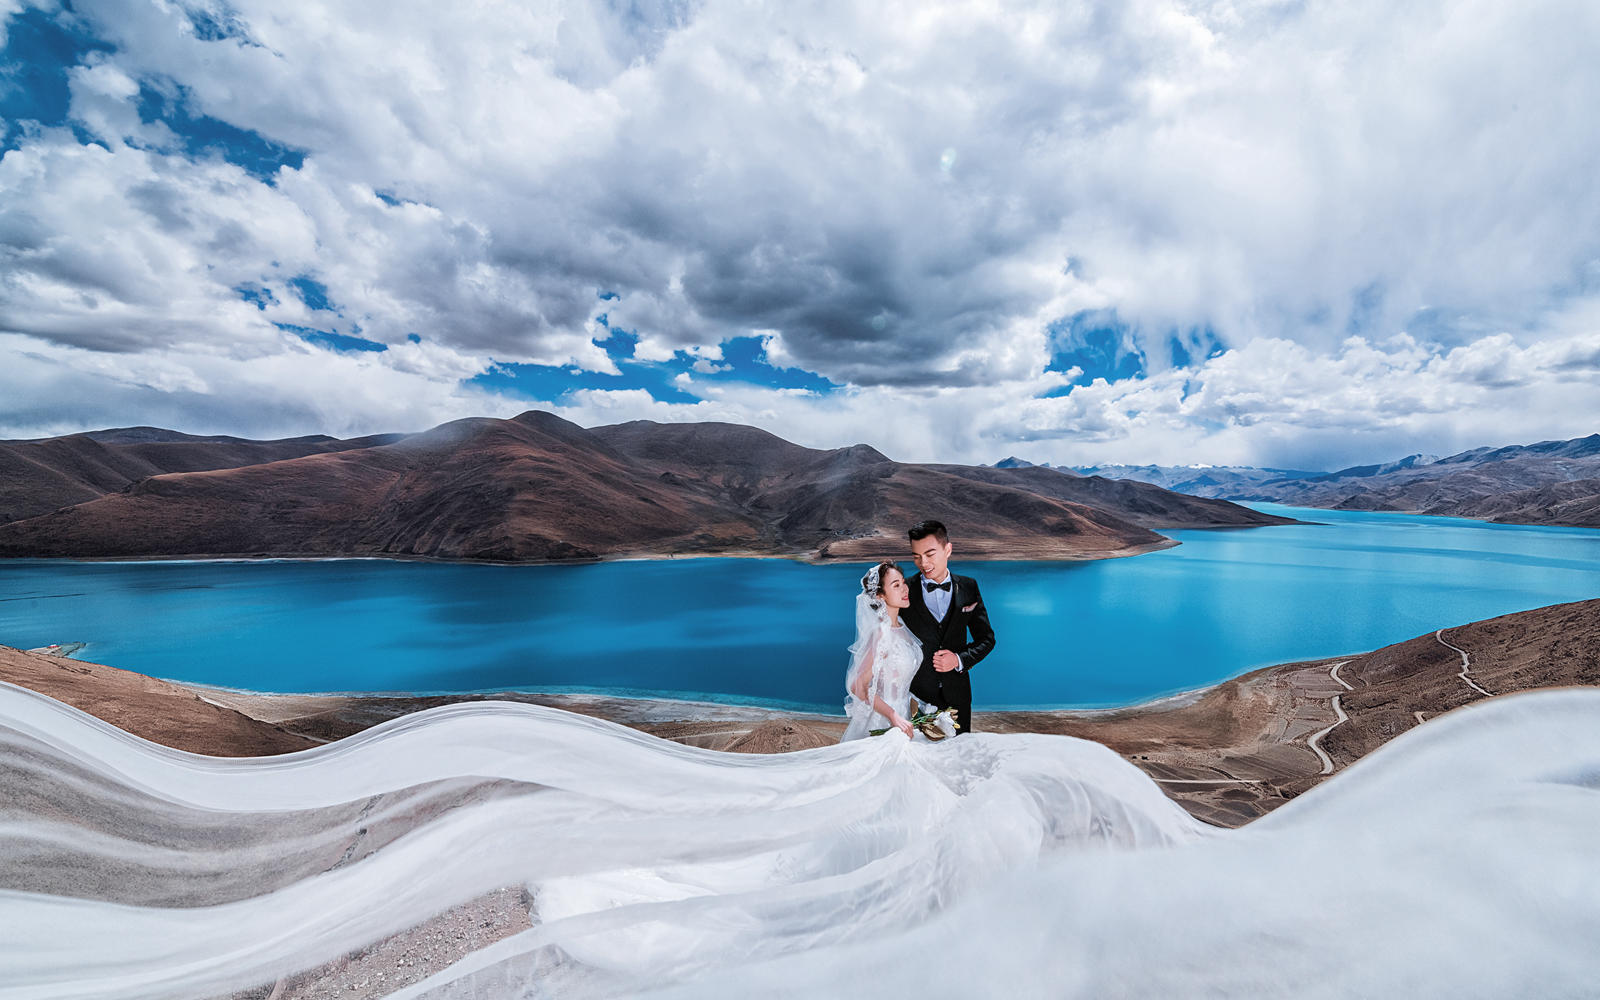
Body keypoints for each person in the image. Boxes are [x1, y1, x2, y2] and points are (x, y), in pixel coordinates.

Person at [903, 519, 995, 735]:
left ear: (948, 550)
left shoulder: (969, 587)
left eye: (930, 554)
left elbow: (987, 640)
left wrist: (958, 659)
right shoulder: (904, 589)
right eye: (916, 556)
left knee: (958, 761)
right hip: (915, 698)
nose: (923, 563)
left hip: (958, 696)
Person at [840, 560, 923, 741]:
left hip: (905, 716)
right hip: (883, 722)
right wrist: (892, 715)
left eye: (903, 582)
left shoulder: (902, 627)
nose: (905, 589)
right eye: (896, 585)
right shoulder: (880, 634)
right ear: (880, 596)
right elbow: (858, 686)